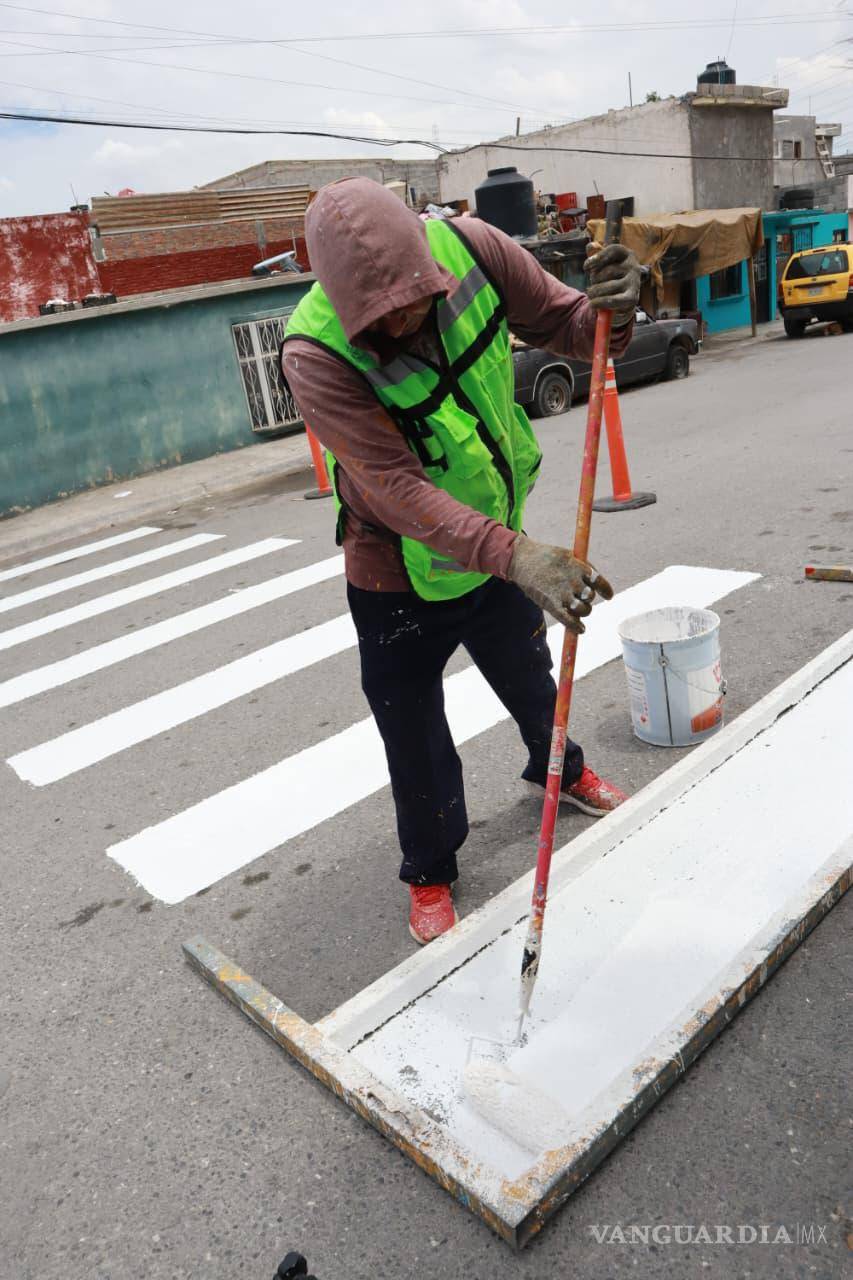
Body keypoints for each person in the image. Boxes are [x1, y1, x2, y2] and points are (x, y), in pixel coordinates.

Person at [281, 178, 642, 944]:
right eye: (382, 318)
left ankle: (560, 770)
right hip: (397, 571)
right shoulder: (315, 355)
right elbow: (395, 488)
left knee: (529, 676)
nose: (406, 321)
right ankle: (430, 870)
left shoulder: (473, 248)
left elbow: (570, 324)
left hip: (496, 546)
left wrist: (612, 308)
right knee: (412, 731)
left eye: (416, 300)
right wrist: (516, 556)